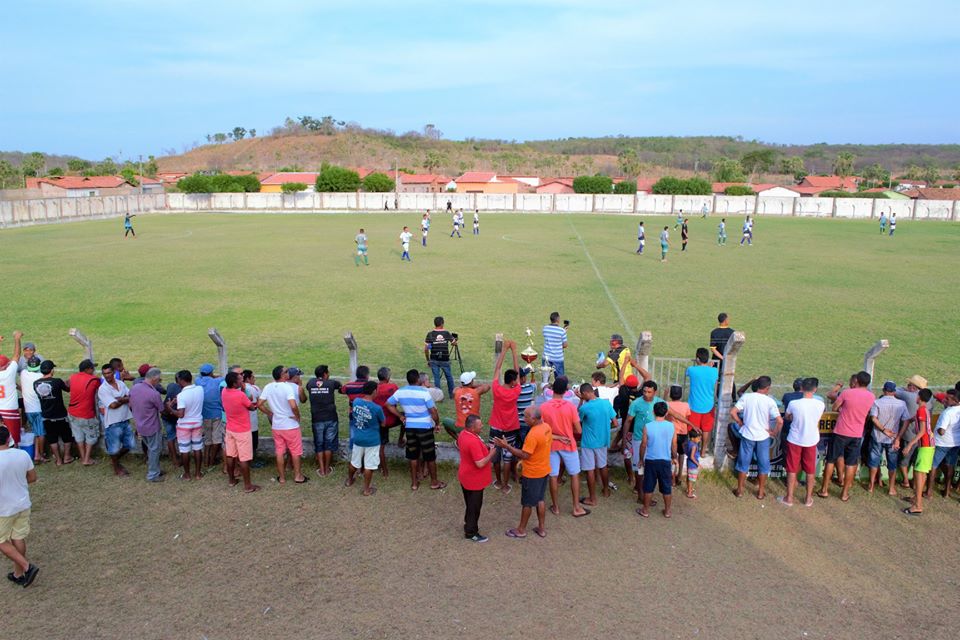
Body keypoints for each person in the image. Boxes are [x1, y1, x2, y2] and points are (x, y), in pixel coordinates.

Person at [496, 406, 554, 539]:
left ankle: (521, 530)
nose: (523, 419)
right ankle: (541, 528)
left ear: (534, 419)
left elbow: (524, 455)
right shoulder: (546, 427)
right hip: (544, 470)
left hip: (532, 473)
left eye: (526, 416)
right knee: (540, 499)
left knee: (527, 502)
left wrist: (507, 446)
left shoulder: (533, 434)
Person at [817, 371, 875, 502]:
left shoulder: (847, 393)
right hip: (856, 433)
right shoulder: (871, 396)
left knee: (831, 460)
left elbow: (835, 407)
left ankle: (824, 490)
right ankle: (844, 493)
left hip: (841, 431)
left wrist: (843, 410)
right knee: (851, 463)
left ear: (857, 381)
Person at [386, 369, 444, 491]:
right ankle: (434, 482)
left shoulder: (400, 392)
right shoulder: (424, 393)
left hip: (410, 427)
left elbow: (388, 404)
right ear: (418, 380)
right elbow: (433, 411)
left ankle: (414, 483)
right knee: (430, 456)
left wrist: (401, 416)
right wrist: (437, 423)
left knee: (413, 456)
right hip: (425, 427)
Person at [541, 377, 588, 518]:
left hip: (551, 445)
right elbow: (579, 430)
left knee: (553, 476)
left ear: (552, 389)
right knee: (574, 474)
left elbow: (543, 430)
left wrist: (556, 436)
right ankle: (576, 507)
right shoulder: (571, 407)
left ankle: (555, 507)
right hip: (568, 444)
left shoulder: (544, 407)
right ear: (566, 391)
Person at [730, 376, 782, 500]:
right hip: (763, 436)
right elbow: (780, 421)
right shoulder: (770, 401)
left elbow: (733, 412)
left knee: (744, 463)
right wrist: (773, 432)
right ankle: (760, 492)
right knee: (763, 464)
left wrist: (740, 423)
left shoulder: (747, 397)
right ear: (768, 388)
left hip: (748, 435)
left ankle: (740, 490)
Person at [0, 426, 39, 588]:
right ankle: (18, 574)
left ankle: (26, 567)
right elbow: (32, 477)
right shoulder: (22, 454)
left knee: (1, 541)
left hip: (3, 508)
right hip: (22, 504)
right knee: (17, 537)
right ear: (9, 439)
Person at [779, 378, 825, 507]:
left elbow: (787, 416)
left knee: (792, 469)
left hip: (795, 439)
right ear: (815, 389)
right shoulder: (820, 404)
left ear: (802, 388)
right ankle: (808, 498)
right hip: (811, 440)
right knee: (810, 470)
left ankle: (789, 498)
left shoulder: (794, 403)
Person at [260, 366, 308, 485]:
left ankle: (282, 478)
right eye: (286, 371)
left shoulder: (268, 386)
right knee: (296, 451)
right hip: (290, 425)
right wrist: (297, 416)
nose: (288, 373)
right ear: (282, 375)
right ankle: (297, 476)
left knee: (280, 451)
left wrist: (270, 413)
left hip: (277, 426)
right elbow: (293, 405)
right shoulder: (287, 388)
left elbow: (259, 404)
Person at [457, 414, 496, 542]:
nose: (482, 426)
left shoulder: (464, 434)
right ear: (472, 428)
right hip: (474, 480)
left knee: (470, 505)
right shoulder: (472, 441)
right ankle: (471, 532)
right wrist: (491, 453)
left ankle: (468, 525)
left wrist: (485, 448)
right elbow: (480, 463)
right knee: (474, 507)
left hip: (466, 476)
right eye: (480, 425)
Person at [488, 340, 520, 493]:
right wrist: (514, 351)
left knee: (495, 454)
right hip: (511, 428)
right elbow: (517, 372)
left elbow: (497, 368)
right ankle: (506, 485)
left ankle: (499, 481)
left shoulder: (496, 389)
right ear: (513, 381)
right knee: (507, 457)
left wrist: (504, 350)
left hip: (495, 427)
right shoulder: (516, 391)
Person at [577, 383, 617, 506]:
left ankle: (592, 498)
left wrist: (580, 401)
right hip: (603, 440)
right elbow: (615, 423)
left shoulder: (585, 408)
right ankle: (605, 490)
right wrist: (604, 426)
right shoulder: (606, 403)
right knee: (603, 465)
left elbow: (578, 421)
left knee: (590, 469)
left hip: (588, 442)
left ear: (584, 393)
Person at [867, 381, 910, 495]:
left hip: (878, 436)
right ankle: (891, 488)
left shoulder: (877, 402)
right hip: (893, 438)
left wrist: (883, 429)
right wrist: (899, 437)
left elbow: (873, 418)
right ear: (894, 392)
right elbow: (906, 421)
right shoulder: (901, 404)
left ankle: (871, 485)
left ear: (884, 390)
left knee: (874, 461)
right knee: (892, 463)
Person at [221, 371, 260, 493]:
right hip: (242, 430)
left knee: (230, 455)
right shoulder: (240, 395)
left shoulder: (224, 392)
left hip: (230, 429)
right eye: (240, 380)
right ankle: (248, 486)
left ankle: (232, 480)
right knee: (244, 458)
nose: (242, 381)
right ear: (234, 383)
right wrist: (244, 391)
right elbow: (251, 407)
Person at [637, 402, 678, 518]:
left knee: (648, 486)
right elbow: (674, 444)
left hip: (651, 460)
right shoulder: (671, 426)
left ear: (653, 412)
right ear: (666, 413)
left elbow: (643, 444)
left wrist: (641, 459)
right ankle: (667, 511)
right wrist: (674, 457)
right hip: (665, 461)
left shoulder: (648, 426)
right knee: (666, 486)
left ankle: (645, 510)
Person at [345, 381, 385, 497]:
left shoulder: (356, 402)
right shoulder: (377, 408)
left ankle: (349, 480)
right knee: (369, 466)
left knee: (354, 462)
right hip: (372, 440)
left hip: (358, 438)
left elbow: (353, 413)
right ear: (374, 392)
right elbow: (383, 423)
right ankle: (366, 489)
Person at [33, 360, 75, 466]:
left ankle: (58, 460)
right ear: (52, 370)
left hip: (46, 416)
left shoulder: (36, 383)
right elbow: (68, 389)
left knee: (52, 439)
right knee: (67, 437)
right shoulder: (57, 381)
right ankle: (66, 457)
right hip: (60, 415)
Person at [97, 363, 134, 478]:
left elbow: (131, 396)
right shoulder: (102, 389)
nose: (107, 376)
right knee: (114, 448)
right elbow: (112, 405)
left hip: (125, 418)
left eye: (109, 373)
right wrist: (124, 399)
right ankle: (116, 468)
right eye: (104, 374)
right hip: (113, 422)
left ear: (114, 373)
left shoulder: (121, 383)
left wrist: (121, 399)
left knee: (130, 445)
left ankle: (115, 461)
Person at [129, 367, 165, 482]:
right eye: (159, 380)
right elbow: (162, 410)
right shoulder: (154, 394)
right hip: (152, 427)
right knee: (154, 450)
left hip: (139, 425)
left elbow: (130, 405)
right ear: (154, 379)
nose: (159, 382)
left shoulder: (134, 388)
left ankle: (155, 469)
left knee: (151, 449)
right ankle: (153, 475)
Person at [894, 375, 930, 489]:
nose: (907, 386)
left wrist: (905, 390)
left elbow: (894, 390)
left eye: (909, 385)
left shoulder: (908, 395)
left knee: (904, 461)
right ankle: (915, 483)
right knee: (917, 462)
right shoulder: (930, 400)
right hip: (922, 440)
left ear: (914, 388)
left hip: (909, 435)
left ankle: (905, 480)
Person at [902, 388, 934, 515]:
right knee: (921, 473)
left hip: (925, 446)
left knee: (919, 474)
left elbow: (922, 431)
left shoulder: (921, 410)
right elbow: (914, 419)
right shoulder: (923, 409)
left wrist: (909, 445)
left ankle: (918, 505)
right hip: (928, 446)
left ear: (919, 397)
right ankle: (916, 498)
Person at [306, 365, 341, 477]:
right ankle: (327, 469)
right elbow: (339, 385)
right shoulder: (331, 383)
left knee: (319, 444)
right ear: (325, 374)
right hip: (331, 418)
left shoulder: (310, 383)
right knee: (328, 444)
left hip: (317, 419)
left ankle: (321, 470)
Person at [685, 347, 720, 457]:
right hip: (709, 405)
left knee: (692, 429)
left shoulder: (692, 370)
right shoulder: (714, 371)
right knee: (706, 429)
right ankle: (703, 451)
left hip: (694, 405)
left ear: (697, 359)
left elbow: (688, 373)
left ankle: (691, 449)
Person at [67, 359, 101, 465]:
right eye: (92, 368)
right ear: (87, 369)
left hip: (72, 412)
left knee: (78, 436)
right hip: (86, 414)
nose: (94, 370)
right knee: (91, 437)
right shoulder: (94, 380)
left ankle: (83, 457)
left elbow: (68, 385)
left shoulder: (72, 377)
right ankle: (86, 459)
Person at [928, 388, 960, 500]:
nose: (945, 400)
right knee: (950, 466)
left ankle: (929, 492)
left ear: (955, 400)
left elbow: (941, 431)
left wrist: (934, 429)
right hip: (955, 443)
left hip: (942, 443)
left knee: (933, 466)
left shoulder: (947, 412)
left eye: (947, 398)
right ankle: (946, 491)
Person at [173, 370, 204, 480]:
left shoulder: (181, 395)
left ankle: (187, 474)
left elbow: (181, 414)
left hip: (184, 425)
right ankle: (198, 473)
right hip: (197, 422)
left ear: (181, 380)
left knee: (184, 449)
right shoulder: (200, 389)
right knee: (197, 447)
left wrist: (170, 409)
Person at [195, 363, 224, 470]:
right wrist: (214, 376)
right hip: (216, 414)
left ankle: (206, 461)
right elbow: (223, 377)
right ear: (211, 373)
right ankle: (211, 461)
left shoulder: (198, 381)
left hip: (204, 415)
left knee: (207, 439)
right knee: (216, 438)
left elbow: (198, 378)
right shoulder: (217, 381)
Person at [372, 367, 399, 477]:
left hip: (379, 422)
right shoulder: (393, 387)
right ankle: (401, 439)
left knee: (380, 447)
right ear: (388, 377)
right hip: (391, 420)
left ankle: (384, 471)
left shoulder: (374, 389)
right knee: (406, 418)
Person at [424, 316, 457, 399]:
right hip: (445, 359)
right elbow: (454, 343)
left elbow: (426, 349)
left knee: (436, 378)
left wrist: (428, 360)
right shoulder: (446, 333)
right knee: (449, 376)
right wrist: (455, 341)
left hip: (434, 359)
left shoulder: (430, 334)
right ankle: (452, 395)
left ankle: (439, 396)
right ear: (442, 323)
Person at [19, 357, 45, 463]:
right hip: (38, 408)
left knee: (35, 431)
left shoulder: (23, 373)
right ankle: (41, 455)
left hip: (28, 409)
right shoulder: (40, 376)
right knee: (41, 433)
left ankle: (36, 454)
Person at [0, 332, 23, 444]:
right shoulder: (9, 373)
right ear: (5, 366)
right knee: (14, 439)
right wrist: (17, 339)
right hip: (9, 410)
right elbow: (17, 355)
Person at [451, 371, 490, 436]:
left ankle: (458, 440)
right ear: (471, 382)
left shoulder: (456, 391)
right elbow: (487, 386)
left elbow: (457, 388)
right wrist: (473, 385)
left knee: (445, 421)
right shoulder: (476, 391)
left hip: (460, 426)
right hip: (473, 427)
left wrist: (466, 385)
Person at [667, 385, 690, 483]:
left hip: (671, 433)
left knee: (672, 455)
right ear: (681, 395)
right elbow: (687, 418)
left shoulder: (667, 404)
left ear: (670, 394)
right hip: (683, 433)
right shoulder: (686, 405)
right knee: (681, 454)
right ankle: (679, 475)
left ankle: (672, 478)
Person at [242, 370, 263, 468]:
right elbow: (258, 403)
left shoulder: (237, 389)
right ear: (248, 379)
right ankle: (251, 462)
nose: (254, 379)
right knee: (253, 443)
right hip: (252, 422)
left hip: (241, 422)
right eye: (253, 377)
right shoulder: (253, 389)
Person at [542, 312, 568, 377]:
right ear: (558, 319)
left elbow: (551, 338)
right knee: (559, 379)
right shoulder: (562, 331)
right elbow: (565, 345)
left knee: (545, 378)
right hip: (558, 358)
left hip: (546, 357)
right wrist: (564, 331)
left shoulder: (545, 328)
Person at [685, 430, 701, 499]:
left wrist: (687, 453)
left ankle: (688, 488)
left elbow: (683, 445)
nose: (699, 440)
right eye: (698, 438)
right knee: (691, 479)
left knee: (689, 477)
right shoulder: (694, 446)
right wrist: (698, 464)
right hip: (693, 465)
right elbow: (692, 457)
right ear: (692, 438)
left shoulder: (688, 443)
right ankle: (689, 493)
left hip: (688, 462)